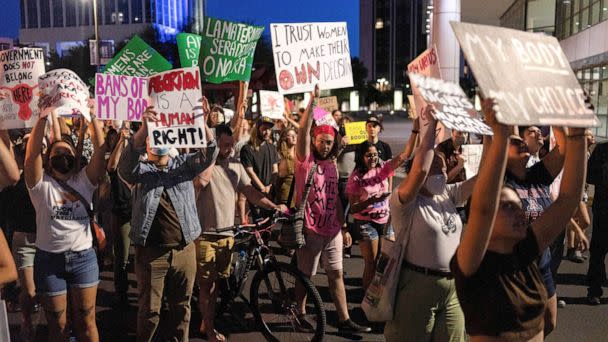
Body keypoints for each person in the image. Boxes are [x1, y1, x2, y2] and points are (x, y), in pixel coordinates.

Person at [451, 102, 587, 341]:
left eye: (517, 206)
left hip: (540, 266)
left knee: (549, 321)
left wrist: (577, 135)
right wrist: (499, 135)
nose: (518, 212)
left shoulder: (525, 250)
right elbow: (482, 206)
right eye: (506, 206)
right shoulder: (473, 263)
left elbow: (568, 199)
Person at [118, 105, 217, 342]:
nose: (157, 140)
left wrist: (201, 123)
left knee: (181, 309)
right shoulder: (139, 171)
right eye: (152, 136)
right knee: (150, 311)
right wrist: (143, 128)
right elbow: (125, 166)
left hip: (184, 250)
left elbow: (209, 153)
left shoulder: (182, 166)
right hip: (152, 254)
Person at [385, 106, 478, 342]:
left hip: (453, 287)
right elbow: (422, 167)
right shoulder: (404, 201)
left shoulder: (448, 195)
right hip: (418, 285)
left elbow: (483, 177)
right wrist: (430, 127)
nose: (442, 172)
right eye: (436, 167)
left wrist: (490, 133)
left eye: (443, 168)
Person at [194, 124, 287, 342]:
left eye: (230, 145)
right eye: (224, 145)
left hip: (227, 235)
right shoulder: (201, 163)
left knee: (217, 284)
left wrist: (274, 207)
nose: (229, 150)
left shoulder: (235, 165)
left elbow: (250, 193)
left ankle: (206, 322)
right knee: (206, 286)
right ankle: (208, 330)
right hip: (205, 235)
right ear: (214, 142)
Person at [25, 108, 107, 342]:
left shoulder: (84, 181)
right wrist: (41, 116)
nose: (63, 156)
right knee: (58, 327)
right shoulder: (40, 186)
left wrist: (92, 119)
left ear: (75, 160)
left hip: (83, 259)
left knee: (87, 322)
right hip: (49, 262)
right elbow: (31, 156)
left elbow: (101, 154)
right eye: (57, 152)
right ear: (48, 161)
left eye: (68, 152)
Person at [294, 85, 370, 333]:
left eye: (329, 142)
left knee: (336, 274)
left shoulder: (331, 166)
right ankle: (300, 312)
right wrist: (313, 101)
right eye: (321, 141)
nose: (325, 146)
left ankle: (345, 320)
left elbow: (335, 198)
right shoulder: (305, 162)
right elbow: (303, 131)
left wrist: (344, 226)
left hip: (333, 230)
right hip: (310, 229)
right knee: (305, 276)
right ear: (314, 140)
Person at [504, 125, 566, 335]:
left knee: (549, 322)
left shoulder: (537, 174)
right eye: (515, 143)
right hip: (513, 269)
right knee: (518, 329)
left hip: (541, 264)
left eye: (521, 143)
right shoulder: (501, 182)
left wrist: (555, 111)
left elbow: (565, 148)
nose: (521, 146)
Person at [346, 140, 409, 290]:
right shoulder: (355, 178)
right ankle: (367, 298)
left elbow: (403, 157)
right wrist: (372, 201)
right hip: (366, 223)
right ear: (361, 157)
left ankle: (380, 295)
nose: (373, 158)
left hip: (386, 222)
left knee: (386, 261)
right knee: (372, 262)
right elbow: (354, 209)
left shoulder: (382, 169)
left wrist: (416, 132)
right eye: (369, 155)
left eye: (375, 155)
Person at [1, 132, 39, 341]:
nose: (29, 143)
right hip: (23, 237)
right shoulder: (16, 172)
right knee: (29, 292)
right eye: (25, 141)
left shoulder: (47, 173)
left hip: (49, 238)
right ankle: (27, 322)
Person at [106, 124, 133, 307]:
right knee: (121, 257)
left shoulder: (136, 160)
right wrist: (121, 139)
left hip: (139, 213)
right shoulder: (112, 160)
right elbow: (112, 166)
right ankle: (121, 292)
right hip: (122, 214)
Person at [240, 117, 279, 217]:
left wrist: (270, 186)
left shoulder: (272, 147)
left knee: (268, 224)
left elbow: (275, 170)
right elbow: (250, 172)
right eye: (264, 129)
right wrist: (262, 188)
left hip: (270, 192)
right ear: (257, 129)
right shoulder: (247, 149)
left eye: (269, 129)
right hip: (254, 192)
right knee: (257, 223)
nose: (267, 132)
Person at [586, 135, 608, 305]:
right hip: (603, 208)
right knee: (598, 250)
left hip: (602, 206)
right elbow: (590, 175)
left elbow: (590, 176)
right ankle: (594, 289)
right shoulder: (600, 150)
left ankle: (595, 290)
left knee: (598, 251)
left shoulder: (601, 150)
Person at [276, 127, 297, 208]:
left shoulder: (299, 153)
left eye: (294, 135)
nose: (294, 137)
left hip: (297, 195)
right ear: (285, 138)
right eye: (290, 135)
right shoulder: (280, 154)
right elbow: (280, 175)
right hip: (286, 194)